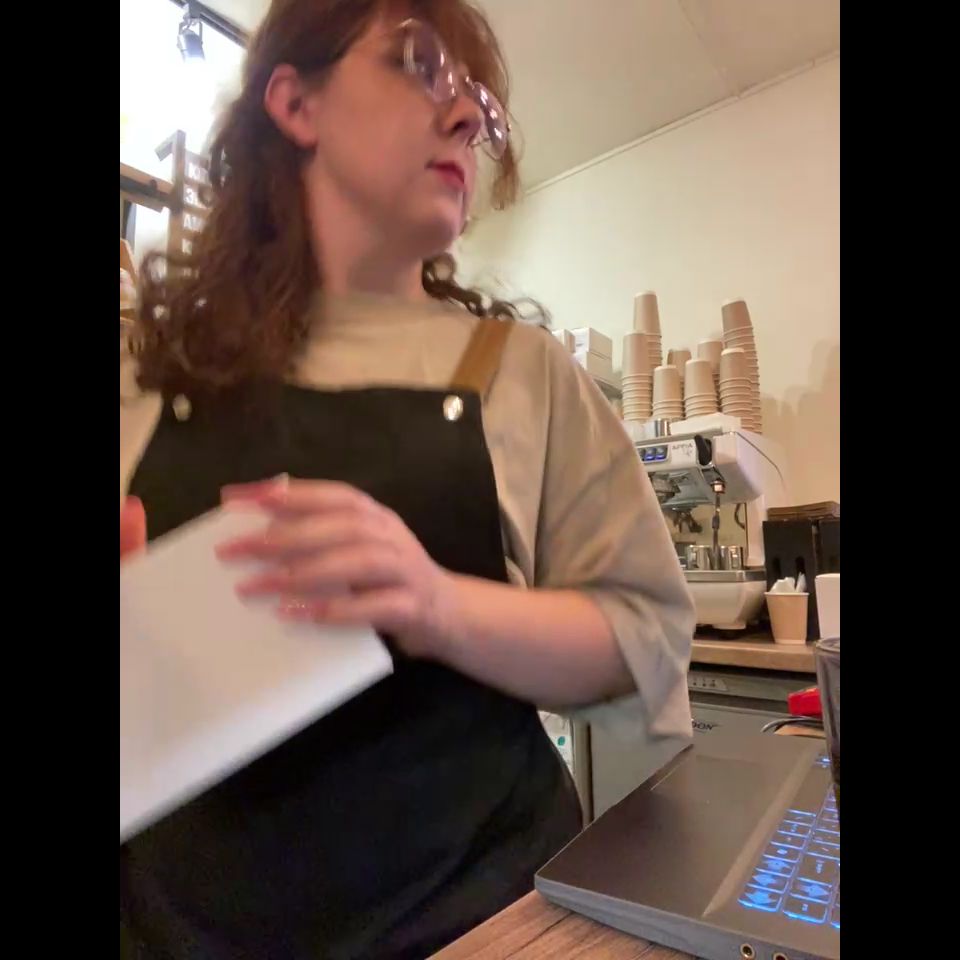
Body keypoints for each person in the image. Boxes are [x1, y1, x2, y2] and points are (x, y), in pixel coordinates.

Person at [119, 1, 695, 957]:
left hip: (486, 924)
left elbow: (646, 642)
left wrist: (436, 604)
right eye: (420, 63)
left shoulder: (520, 371)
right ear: (295, 103)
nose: (467, 116)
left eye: (480, 103)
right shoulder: (143, 372)